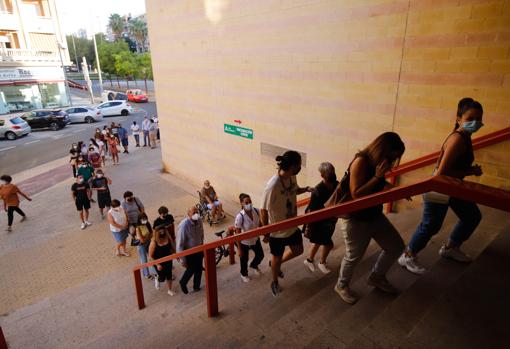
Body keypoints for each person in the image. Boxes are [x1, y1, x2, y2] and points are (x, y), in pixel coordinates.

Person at [399, 98, 484, 274]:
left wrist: (469, 170)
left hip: (453, 187)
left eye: (479, 118)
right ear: (459, 118)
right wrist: (469, 172)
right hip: (439, 187)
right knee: (431, 225)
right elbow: (441, 173)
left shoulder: (465, 137)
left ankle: (450, 248)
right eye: (470, 119)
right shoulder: (458, 139)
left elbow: (454, 167)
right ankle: (407, 256)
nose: (475, 123)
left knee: (472, 216)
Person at [334, 132, 406, 305]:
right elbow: (356, 193)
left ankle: (377, 276)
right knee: (354, 256)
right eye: (391, 155)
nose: (392, 161)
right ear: (382, 149)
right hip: (355, 218)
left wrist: (393, 188)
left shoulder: (379, 163)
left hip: (374, 214)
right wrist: (378, 177)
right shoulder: (361, 161)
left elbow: (379, 184)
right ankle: (341, 285)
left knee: (396, 246)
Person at [260, 151, 313, 297]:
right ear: (291, 166)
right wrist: (266, 232)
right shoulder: (272, 185)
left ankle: (275, 265)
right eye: (298, 165)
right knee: (276, 257)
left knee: (298, 250)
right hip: (277, 231)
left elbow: (294, 191)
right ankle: (275, 280)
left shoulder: (292, 176)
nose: (299, 168)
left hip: (292, 225)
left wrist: (306, 189)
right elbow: (263, 210)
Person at [303, 162, 339, 275]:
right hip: (320, 223)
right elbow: (313, 211)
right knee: (328, 244)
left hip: (331, 221)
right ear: (322, 175)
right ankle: (322, 263)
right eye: (328, 172)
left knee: (318, 242)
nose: (330, 174)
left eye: (331, 171)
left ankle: (309, 260)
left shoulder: (337, 184)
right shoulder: (318, 190)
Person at [234, 193, 264, 283]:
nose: (249, 204)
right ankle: (244, 274)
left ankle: (254, 265)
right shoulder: (240, 216)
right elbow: (237, 233)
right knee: (244, 259)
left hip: (255, 239)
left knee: (260, 255)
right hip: (244, 242)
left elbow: (260, 224)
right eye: (246, 202)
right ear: (242, 204)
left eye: (250, 202)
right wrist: (239, 249)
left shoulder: (256, 211)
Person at [177, 206, 204, 294]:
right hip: (190, 252)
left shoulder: (199, 220)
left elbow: (201, 233)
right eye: (194, 213)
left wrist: (202, 244)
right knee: (191, 269)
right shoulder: (184, 225)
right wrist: (182, 259)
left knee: (199, 269)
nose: (196, 215)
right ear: (188, 214)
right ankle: (183, 282)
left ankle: (196, 286)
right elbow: (180, 244)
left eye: (197, 212)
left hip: (199, 249)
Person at [149, 225, 176, 295]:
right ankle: (157, 278)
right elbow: (150, 256)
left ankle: (169, 290)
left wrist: (176, 255)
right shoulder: (153, 242)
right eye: (160, 231)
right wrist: (157, 264)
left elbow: (172, 248)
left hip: (168, 260)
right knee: (162, 278)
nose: (162, 232)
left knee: (169, 275)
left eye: (163, 230)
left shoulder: (168, 238)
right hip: (159, 262)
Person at [135, 212, 156, 279]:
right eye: (143, 219)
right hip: (141, 245)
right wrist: (148, 236)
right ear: (139, 220)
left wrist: (147, 237)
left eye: (145, 219)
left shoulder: (147, 224)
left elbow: (152, 233)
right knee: (144, 259)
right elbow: (142, 240)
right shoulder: (138, 228)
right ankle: (146, 274)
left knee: (151, 256)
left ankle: (155, 271)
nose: (145, 220)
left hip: (148, 243)